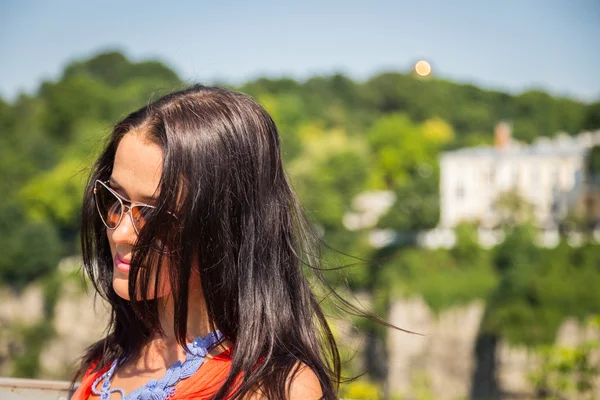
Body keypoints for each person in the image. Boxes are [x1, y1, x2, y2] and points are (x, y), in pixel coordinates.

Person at [70, 85, 353, 400]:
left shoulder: (272, 389)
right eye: (114, 198)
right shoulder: (104, 363)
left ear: (224, 226)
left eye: (154, 215)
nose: (120, 232)